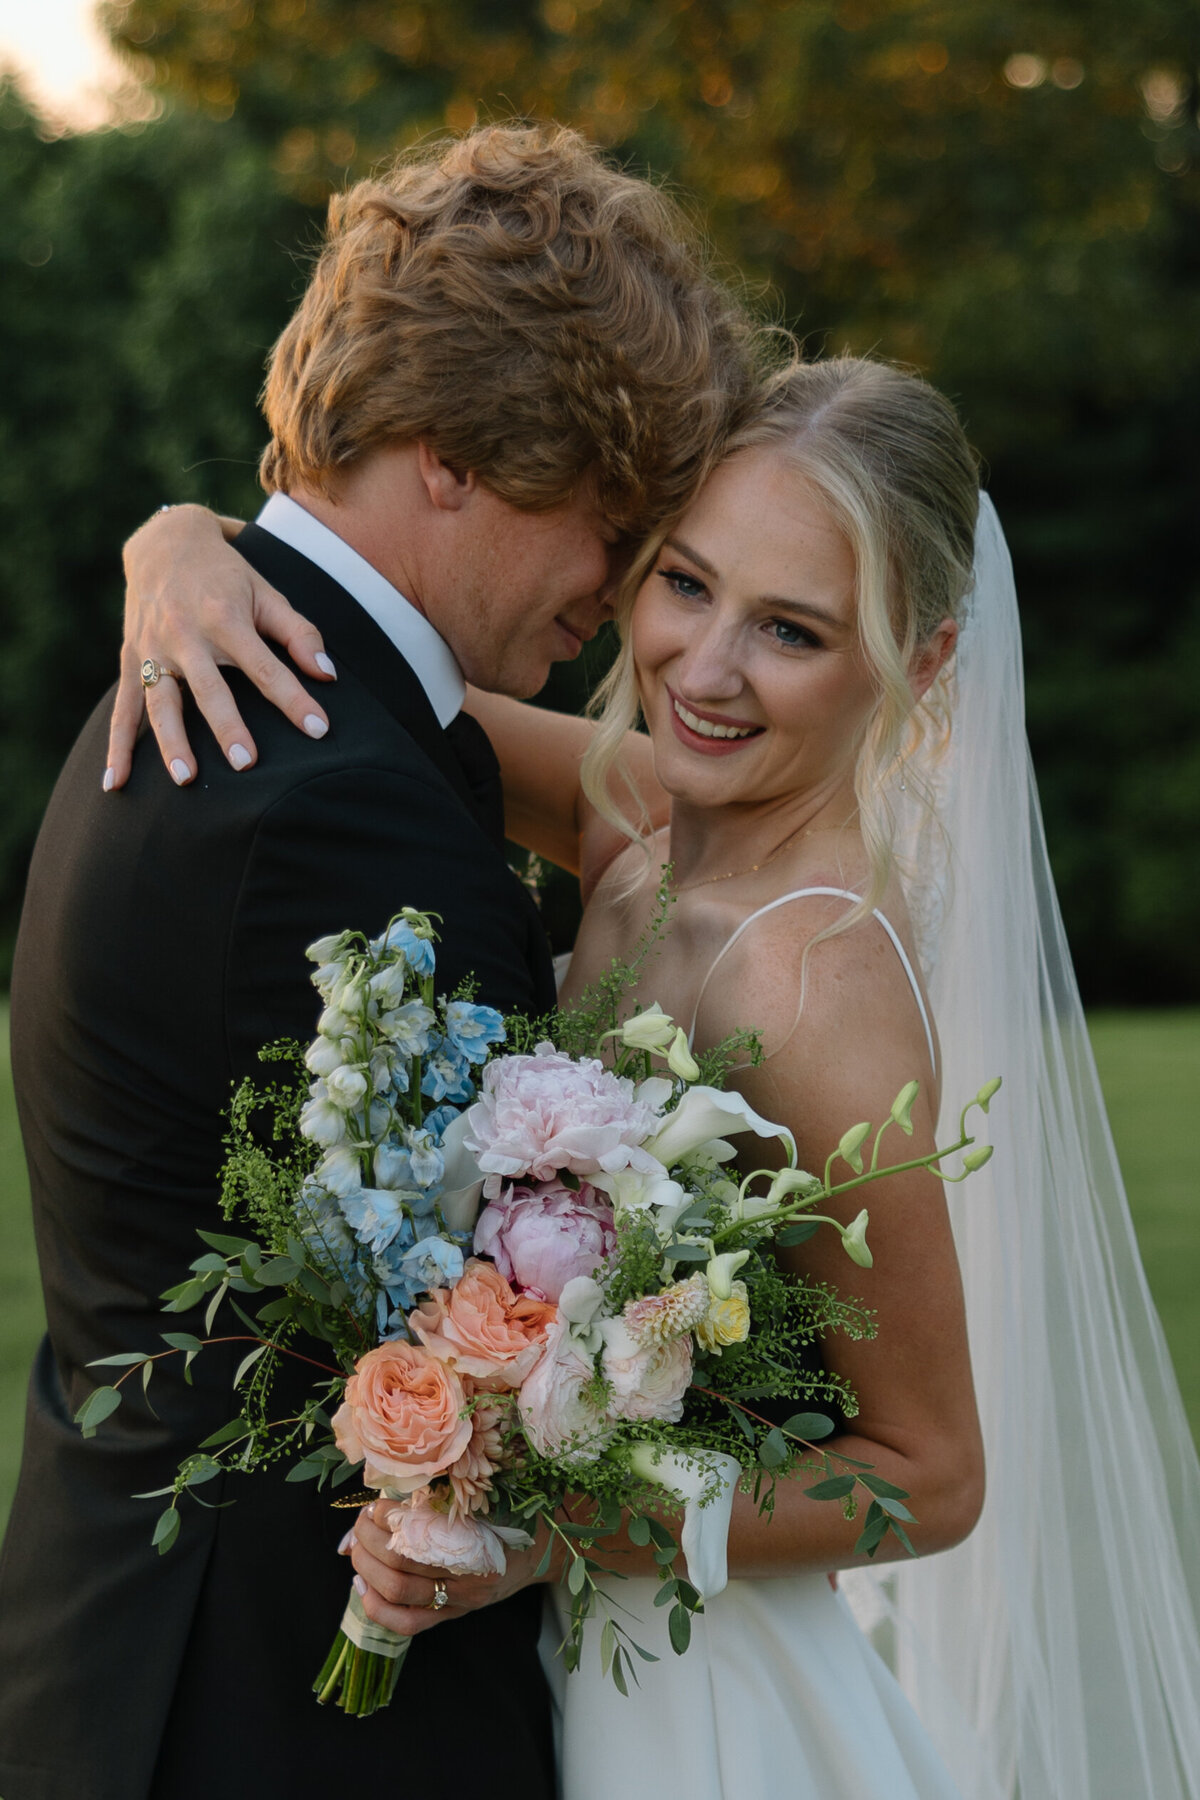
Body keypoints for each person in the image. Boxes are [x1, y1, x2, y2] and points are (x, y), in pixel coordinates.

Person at [110, 351, 1200, 1800]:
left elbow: (929, 1477)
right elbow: (353, 666)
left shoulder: (817, 980)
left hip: (702, 1705)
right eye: (687, 584)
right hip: (543, 1679)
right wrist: (180, 545)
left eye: (793, 631)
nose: (704, 668)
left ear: (920, 662)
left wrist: (554, 1523)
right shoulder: (639, 810)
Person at [0, 122, 757, 1800]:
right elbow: (499, 1322)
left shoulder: (251, 673)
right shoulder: (333, 798)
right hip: (278, 1714)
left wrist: (172, 528)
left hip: (138, 1660)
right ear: (452, 457)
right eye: (609, 512)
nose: (619, 584)